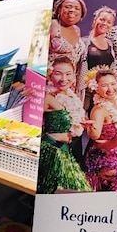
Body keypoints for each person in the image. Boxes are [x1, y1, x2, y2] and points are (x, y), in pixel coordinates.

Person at [37, 58, 92, 194]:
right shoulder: (47, 97)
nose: (64, 78)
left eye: (68, 74)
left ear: (74, 75)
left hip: (66, 150)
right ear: (50, 75)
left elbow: (70, 121)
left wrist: (82, 122)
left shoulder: (71, 96)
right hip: (52, 151)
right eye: (58, 73)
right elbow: (32, 119)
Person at [84, 69, 117, 191]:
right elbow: (94, 136)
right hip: (106, 158)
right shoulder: (99, 110)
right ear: (96, 88)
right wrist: (89, 127)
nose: (110, 89)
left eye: (113, 84)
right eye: (104, 85)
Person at [48, 0, 87, 92]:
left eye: (77, 8)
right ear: (59, 9)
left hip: (70, 82)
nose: (72, 10)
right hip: (52, 82)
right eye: (68, 7)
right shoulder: (52, 24)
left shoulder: (77, 30)